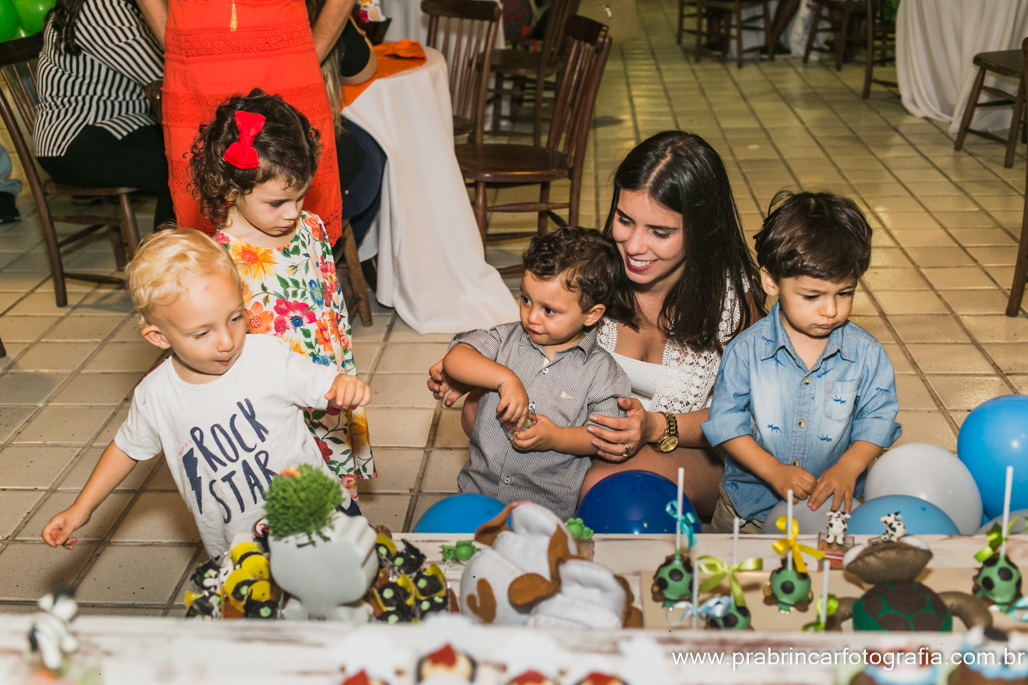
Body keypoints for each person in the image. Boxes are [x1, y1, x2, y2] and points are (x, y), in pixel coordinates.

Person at [429, 131, 764, 520]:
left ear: (702, 230)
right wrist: (482, 370)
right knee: (480, 409)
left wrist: (655, 427)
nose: (635, 246)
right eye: (625, 220)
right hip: (585, 432)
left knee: (603, 484)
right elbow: (535, 331)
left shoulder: (735, 303)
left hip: (686, 445)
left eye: (660, 232)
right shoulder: (596, 271)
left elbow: (747, 412)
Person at [40, 228, 371, 557]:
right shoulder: (155, 396)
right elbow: (126, 450)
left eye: (235, 318)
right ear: (158, 337)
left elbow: (324, 383)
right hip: (243, 546)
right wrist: (82, 507)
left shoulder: (266, 355)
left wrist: (342, 385)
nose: (227, 341)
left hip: (323, 516)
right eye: (202, 333)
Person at [192, 89, 375, 510]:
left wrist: (342, 366)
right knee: (287, 501)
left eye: (300, 196)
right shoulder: (221, 260)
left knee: (335, 497)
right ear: (229, 187)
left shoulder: (309, 226)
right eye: (277, 202)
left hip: (325, 384)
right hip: (273, 401)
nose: (292, 212)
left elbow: (329, 303)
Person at [701, 191, 902, 534]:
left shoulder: (866, 354)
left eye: (845, 292)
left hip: (828, 512)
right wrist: (773, 471)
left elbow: (878, 420)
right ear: (771, 281)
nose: (830, 310)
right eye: (812, 296)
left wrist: (848, 467)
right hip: (748, 510)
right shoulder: (746, 351)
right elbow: (725, 425)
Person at [440, 227, 632, 520]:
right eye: (526, 299)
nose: (531, 317)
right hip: (477, 496)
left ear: (591, 314)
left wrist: (557, 438)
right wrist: (506, 379)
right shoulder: (504, 339)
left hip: (546, 512)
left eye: (549, 310)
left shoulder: (602, 372)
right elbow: (456, 358)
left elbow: (605, 436)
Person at [137, 0, 351, 242]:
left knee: (292, 199)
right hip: (195, 65)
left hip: (285, 55)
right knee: (206, 222)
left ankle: (303, 277)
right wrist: (176, 43)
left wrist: (310, 52)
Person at [34, 0, 173, 229]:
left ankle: (183, 254)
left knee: (194, 156)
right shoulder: (101, 6)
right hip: (77, 139)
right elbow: (164, 74)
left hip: (118, 128)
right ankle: (170, 260)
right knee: (187, 165)